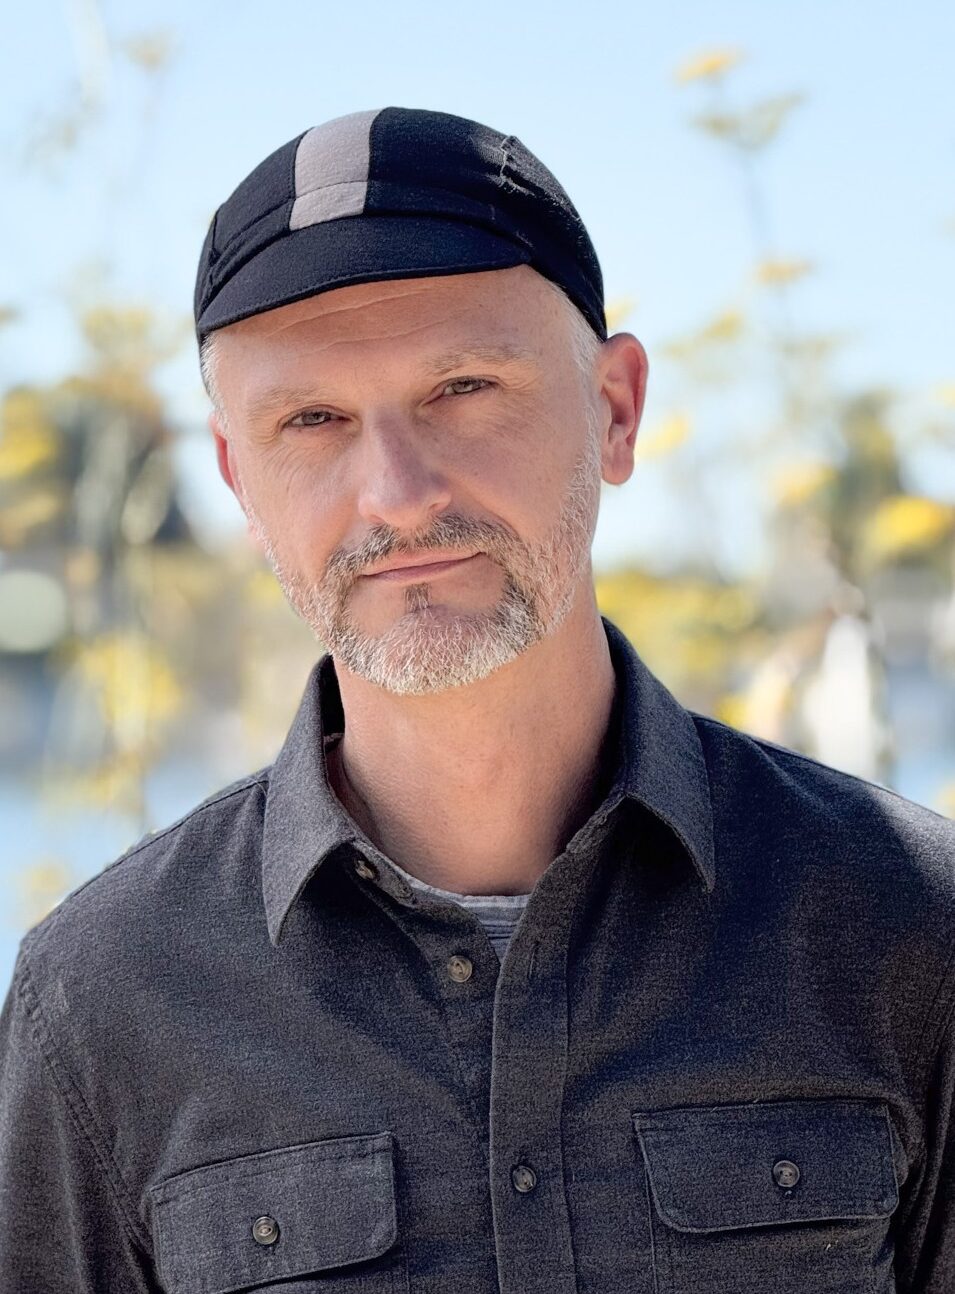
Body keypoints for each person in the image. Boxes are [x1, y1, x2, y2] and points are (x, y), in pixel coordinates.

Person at [0, 106, 952, 1294]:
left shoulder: (907, 922)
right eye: (311, 419)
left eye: (461, 386)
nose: (396, 494)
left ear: (615, 409)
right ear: (240, 479)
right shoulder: (103, 996)